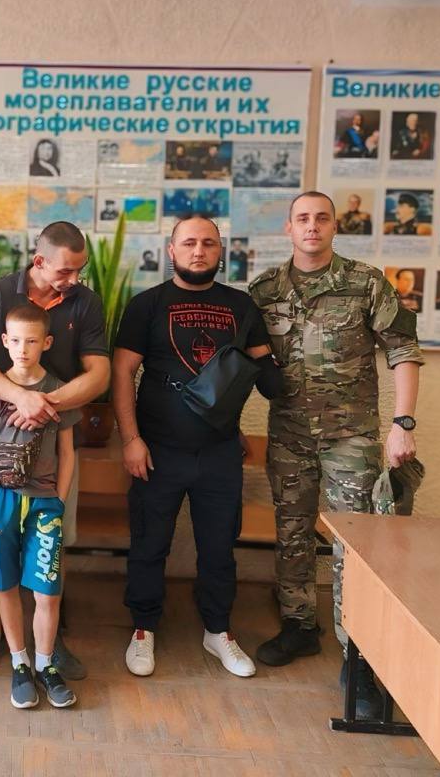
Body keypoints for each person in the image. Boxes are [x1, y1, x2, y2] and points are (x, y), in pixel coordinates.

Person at [248, 192, 423, 721]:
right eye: (302, 219)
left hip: (352, 438)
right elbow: (247, 361)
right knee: (292, 532)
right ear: (288, 228)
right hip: (289, 434)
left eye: (321, 218)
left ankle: (359, 654)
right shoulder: (264, 290)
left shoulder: (366, 283)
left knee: (356, 543)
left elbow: (403, 350)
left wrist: (402, 424)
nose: (312, 226)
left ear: (334, 226)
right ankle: (299, 624)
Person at [112, 217, 283, 680]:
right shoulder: (147, 304)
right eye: (189, 242)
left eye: (209, 243)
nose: (199, 250)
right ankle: (143, 628)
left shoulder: (241, 306)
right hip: (157, 450)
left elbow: (263, 373)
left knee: (218, 547)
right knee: (149, 544)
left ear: (221, 250)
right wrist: (131, 439)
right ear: (172, 251)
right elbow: (123, 372)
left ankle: (218, 630)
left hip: (220, 451)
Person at [0, 221, 110, 684]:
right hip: (0, 448)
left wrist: (46, 403)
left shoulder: (85, 302)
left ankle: (48, 643)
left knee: (50, 547)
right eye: (65, 271)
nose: (74, 279)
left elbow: (99, 374)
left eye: (80, 270)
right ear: (39, 260)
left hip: (54, 441)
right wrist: (17, 397)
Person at [0, 303, 80, 710]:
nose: (23, 349)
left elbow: (67, 453)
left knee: (47, 590)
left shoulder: (59, 391)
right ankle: (19, 663)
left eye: (32, 341)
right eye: (15, 341)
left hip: (45, 505)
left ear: (46, 342)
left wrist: (59, 500)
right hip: (2, 504)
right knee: (7, 585)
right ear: (4, 341)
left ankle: (46, 665)